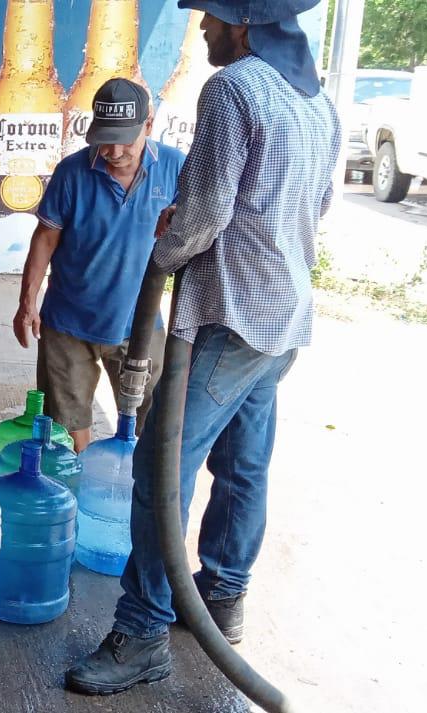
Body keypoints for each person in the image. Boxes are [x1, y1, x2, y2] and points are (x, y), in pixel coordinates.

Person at [65, 0, 340, 695]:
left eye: (212, 18)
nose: (205, 29)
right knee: (244, 465)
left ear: (243, 22)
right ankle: (221, 597)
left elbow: (209, 211)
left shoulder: (233, 87)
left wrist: (168, 243)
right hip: (284, 318)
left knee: (162, 468)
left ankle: (144, 629)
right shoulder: (317, 101)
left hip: (231, 312)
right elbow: (320, 203)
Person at [12, 79, 179, 452]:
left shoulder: (174, 168)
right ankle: (77, 500)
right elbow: (45, 238)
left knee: (152, 426)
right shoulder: (72, 172)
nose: (113, 150)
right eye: (104, 138)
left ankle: (132, 505)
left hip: (140, 323)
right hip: (68, 324)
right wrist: (27, 303)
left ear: (148, 126)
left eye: (125, 139)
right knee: (67, 431)